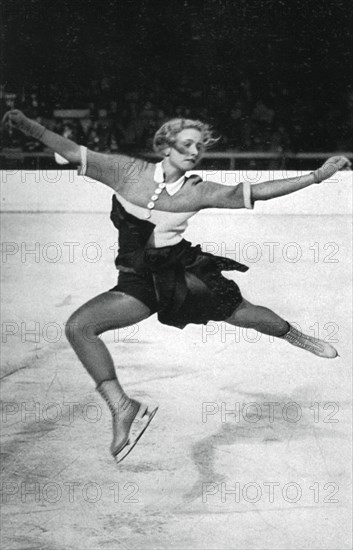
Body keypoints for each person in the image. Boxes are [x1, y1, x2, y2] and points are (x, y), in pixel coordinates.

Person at [2, 110, 351, 463]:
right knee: (79, 327)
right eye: (186, 144)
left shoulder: (198, 191)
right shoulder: (126, 171)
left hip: (180, 275)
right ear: (166, 146)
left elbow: (258, 192)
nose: (193, 151)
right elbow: (74, 151)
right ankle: (123, 407)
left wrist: (316, 177)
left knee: (242, 314)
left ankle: (296, 336)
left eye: (198, 147)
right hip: (137, 282)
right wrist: (29, 126)